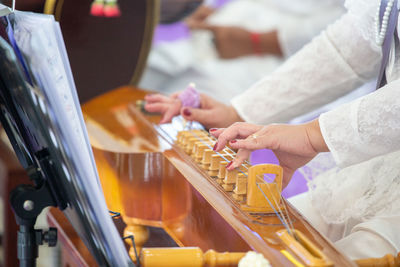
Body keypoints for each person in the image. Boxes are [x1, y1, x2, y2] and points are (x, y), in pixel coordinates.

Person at [145, 0, 400, 259]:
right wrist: (239, 112)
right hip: (374, 170)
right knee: (261, 250)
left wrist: (313, 136)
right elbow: (352, 49)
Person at [139, 0, 346, 103]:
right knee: (137, 74)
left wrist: (260, 42)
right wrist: (212, 8)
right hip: (214, 34)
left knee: (180, 109)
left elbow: (349, 25)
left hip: (264, 62)